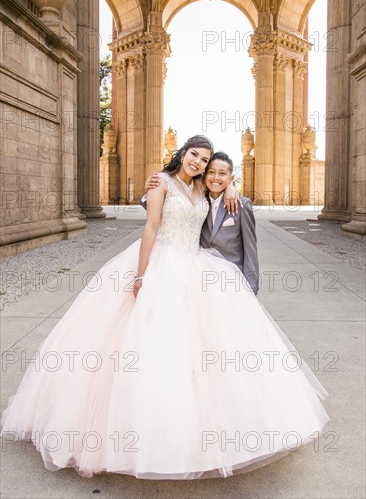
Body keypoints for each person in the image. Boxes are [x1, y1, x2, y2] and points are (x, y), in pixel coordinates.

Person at [1, 135, 330, 480]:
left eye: (205, 160)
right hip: (161, 263)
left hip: (198, 264)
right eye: (195, 156)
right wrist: (141, 274)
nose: (199, 164)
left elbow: (219, 192)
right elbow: (152, 225)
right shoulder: (161, 182)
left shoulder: (204, 188)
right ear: (182, 153)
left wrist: (231, 188)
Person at [143, 151, 260, 295]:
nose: (216, 178)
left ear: (231, 178)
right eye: (211, 172)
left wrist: (251, 287)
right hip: (200, 274)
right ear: (204, 176)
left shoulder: (242, 205)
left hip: (231, 278)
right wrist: (150, 188)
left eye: (222, 174)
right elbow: (169, 209)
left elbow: (250, 249)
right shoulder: (200, 203)